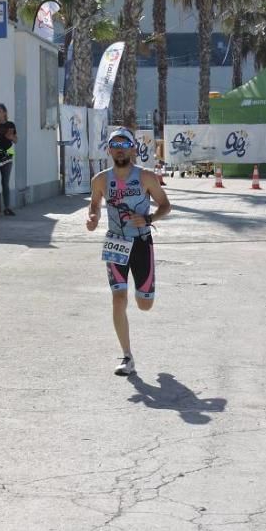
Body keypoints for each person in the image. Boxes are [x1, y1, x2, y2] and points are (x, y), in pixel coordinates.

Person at [86, 128, 171, 376]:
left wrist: (149, 218)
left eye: (125, 144)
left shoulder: (146, 177)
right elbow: (94, 204)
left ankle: (143, 292)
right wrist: (92, 217)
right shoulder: (100, 180)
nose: (120, 149)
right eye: (115, 145)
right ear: (109, 150)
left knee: (144, 304)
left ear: (133, 149)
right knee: (118, 299)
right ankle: (127, 356)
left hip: (142, 243)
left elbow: (166, 205)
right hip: (115, 242)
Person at [0, 102, 18, 216]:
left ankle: (7, 207)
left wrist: (11, 137)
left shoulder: (10, 124)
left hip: (7, 156)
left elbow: (16, 140)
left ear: (4, 113)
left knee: (5, 182)